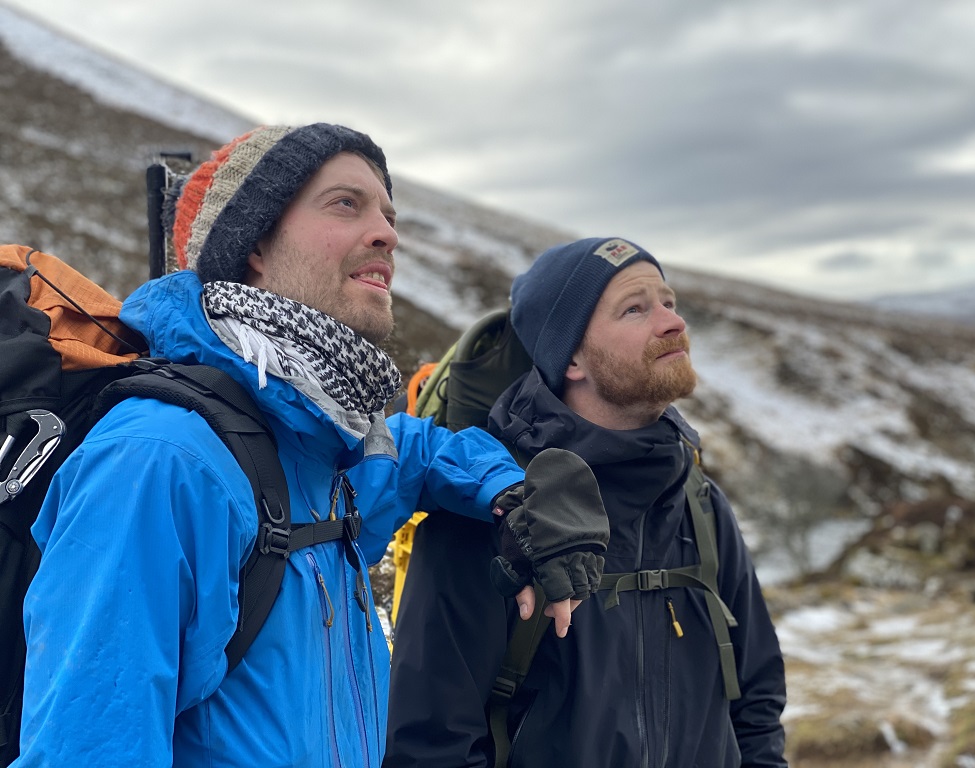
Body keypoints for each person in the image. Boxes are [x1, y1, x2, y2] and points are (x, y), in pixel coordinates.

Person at [13, 124, 607, 768]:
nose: (387, 232)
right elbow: (86, 749)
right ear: (255, 244)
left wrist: (511, 492)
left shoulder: (324, 439)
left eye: (387, 212)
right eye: (345, 204)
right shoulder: (162, 460)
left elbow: (417, 452)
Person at [385, 237, 789, 767]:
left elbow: (756, 704)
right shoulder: (496, 515)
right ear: (571, 356)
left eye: (668, 302)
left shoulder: (700, 505)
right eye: (635, 309)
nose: (672, 322)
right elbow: (433, 746)